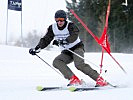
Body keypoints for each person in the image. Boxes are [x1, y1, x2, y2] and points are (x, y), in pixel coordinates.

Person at [29, 10, 108, 87]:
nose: (59, 22)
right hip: (66, 51)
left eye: (61, 20)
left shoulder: (70, 25)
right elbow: (46, 39)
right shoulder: (52, 28)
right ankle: (74, 80)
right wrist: (37, 48)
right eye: (57, 20)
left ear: (65, 19)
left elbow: (74, 35)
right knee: (57, 62)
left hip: (77, 48)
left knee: (79, 65)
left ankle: (100, 80)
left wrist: (65, 41)